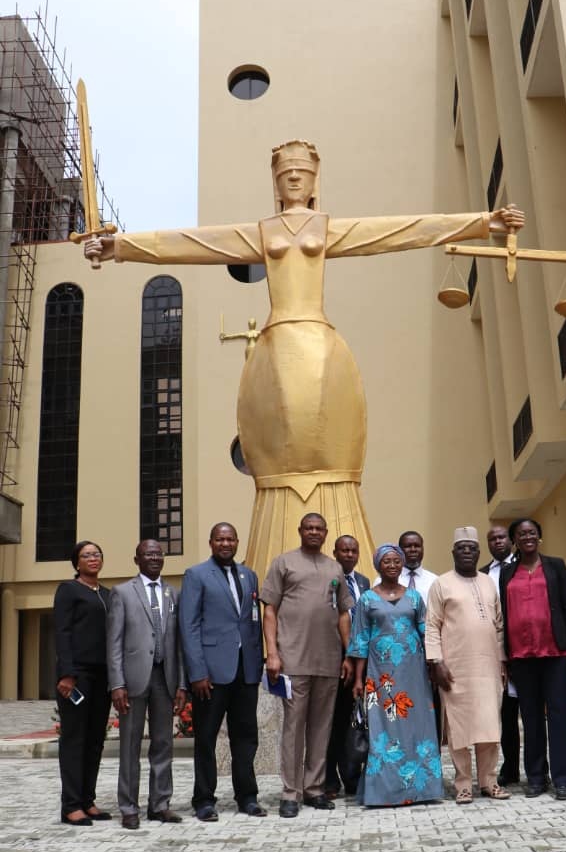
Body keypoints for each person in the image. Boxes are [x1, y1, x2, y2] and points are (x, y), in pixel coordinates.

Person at [83, 140, 524, 579]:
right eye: (285, 174)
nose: (294, 179)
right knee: (277, 462)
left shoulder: (328, 226)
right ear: (275, 184)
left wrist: (484, 223)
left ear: (315, 182)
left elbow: (402, 230)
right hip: (276, 355)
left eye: (303, 173)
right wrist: (118, 246)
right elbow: (192, 242)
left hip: (324, 350)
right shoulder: (263, 231)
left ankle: (347, 556)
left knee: (335, 458)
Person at [261, 513, 353, 817]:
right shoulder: (284, 562)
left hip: (327, 661)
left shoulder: (334, 567)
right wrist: (272, 652)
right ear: (300, 531)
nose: (314, 532)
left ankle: (314, 789)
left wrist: (348, 654)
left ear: (325, 533)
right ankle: (291, 792)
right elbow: (270, 611)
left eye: (319, 529)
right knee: (293, 728)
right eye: (308, 528)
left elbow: (343, 613)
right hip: (293, 659)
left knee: (321, 728)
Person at [179, 522, 265, 821]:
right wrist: (197, 672)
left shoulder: (249, 575)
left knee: (246, 737)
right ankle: (203, 799)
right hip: (211, 675)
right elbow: (188, 627)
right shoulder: (196, 575)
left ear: (237, 541)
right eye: (220, 539)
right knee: (206, 737)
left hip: (245, 671)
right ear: (211, 542)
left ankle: (247, 796)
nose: (225, 544)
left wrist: (258, 663)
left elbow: (254, 622)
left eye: (230, 539)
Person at [347, 544, 442, 807]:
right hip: (381, 676)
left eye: (396, 561)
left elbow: (426, 634)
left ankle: (421, 790)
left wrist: (434, 667)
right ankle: (385, 793)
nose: (392, 565)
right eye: (386, 561)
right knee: (384, 730)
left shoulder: (414, 597)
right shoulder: (366, 599)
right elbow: (360, 641)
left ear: (402, 565)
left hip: (414, 675)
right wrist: (357, 679)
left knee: (417, 726)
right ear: (378, 565)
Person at [499, 519, 566, 801]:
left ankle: (563, 779)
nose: (527, 537)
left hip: (555, 653)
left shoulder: (556, 566)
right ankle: (535, 777)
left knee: (559, 717)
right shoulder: (508, 572)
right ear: (515, 540)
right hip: (521, 656)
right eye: (521, 534)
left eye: (532, 532)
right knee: (531, 719)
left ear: (539, 537)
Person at [107, 540, 188, 829]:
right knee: (130, 746)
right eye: (148, 554)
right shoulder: (122, 592)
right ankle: (129, 807)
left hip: (164, 679)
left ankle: (160, 804)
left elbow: (179, 644)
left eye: (158, 554)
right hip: (132, 680)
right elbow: (114, 643)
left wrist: (181, 684)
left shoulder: (173, 594)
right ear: (137, 559)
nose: (154, 558)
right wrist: (116, 683)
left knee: (163, 743)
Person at [425, 527, 507, 804]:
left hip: (488, 668)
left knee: (489, 727)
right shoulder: (441, 584)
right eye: (462, 548)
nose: (467, 552)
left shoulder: (488, 582)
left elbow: (499, 627)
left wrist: (502, 662)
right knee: (459, 729)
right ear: (453, 553)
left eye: (472, 548)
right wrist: (436, 661)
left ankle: (489, 782)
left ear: (478, 552)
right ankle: (463, 785)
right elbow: (432, 626)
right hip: (454, 667)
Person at [54, 541, 112, 826]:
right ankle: (71, 805)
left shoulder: (107, 594)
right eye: (87, 555)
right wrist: (67, 673)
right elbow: (62, 633)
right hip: (76, 676)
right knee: (75, 740)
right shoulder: (69, 590)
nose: (93, 558)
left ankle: (88, 800)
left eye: (97, 554)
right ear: (77, 563)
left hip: (103, 677)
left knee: (95, 741)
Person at [325, 535, 370, 799]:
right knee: (332, 724)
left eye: (353, 550)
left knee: (353, 724)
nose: (349, 555)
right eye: (344, 550)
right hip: (335, 660)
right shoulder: (328, 581)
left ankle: (352, 777)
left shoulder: (363, 582)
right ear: (335, 553)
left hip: (361, 661)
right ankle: (330, 780)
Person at [480, 525, 519, 786]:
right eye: (492, 539)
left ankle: (539, 769)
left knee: (529, 711)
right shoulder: (482, 574)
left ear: (511, 540)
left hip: (524, 649)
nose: (497, 542)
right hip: (492, 651)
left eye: (501, 537)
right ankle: (510, 768)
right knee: (504, 714)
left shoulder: (528, 565)